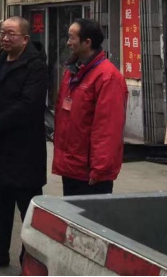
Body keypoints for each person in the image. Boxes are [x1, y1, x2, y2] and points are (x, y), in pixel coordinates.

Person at [0, 17, 49, 269]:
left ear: (25, 39)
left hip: (25, 150)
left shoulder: (36, 67)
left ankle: (31, 261)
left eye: (11, 34)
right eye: (3, 33)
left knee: (29, 210)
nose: (4, 38)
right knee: (0, 205)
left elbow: (28, 105)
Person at [53, 18, 128, 197]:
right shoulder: (72, 71)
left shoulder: (107, 77)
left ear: (87, 42)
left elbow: (108, 128)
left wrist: (100, 169)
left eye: (72, 38)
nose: (68, 42)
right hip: (71, 167)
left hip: (90, 174)